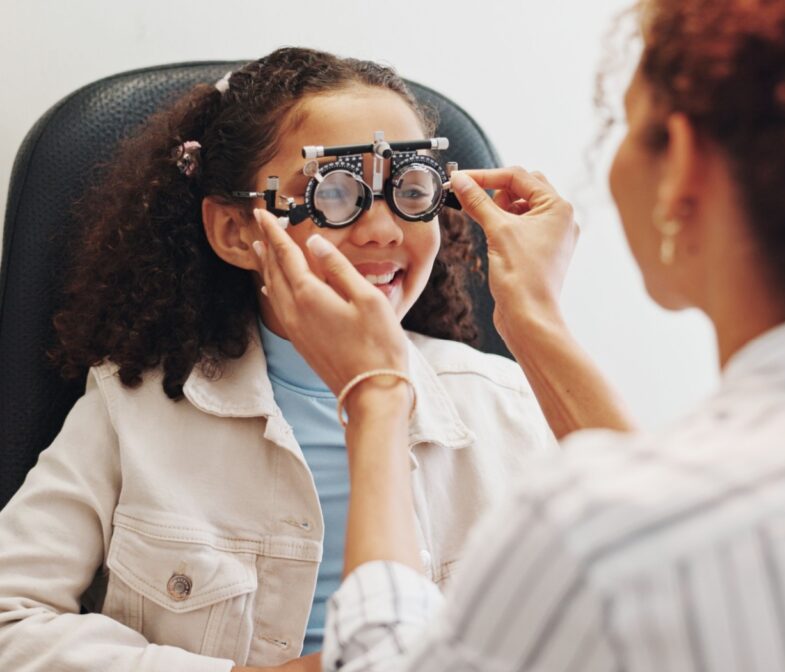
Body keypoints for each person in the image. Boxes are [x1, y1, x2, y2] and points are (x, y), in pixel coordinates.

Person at [249, 1, 785, 670]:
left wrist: (376, 392)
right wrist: (533, 321)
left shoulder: (602, 538)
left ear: (681, 165)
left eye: (627, 122)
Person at [0, 47, 554, 672]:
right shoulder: (135, 411)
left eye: (411, 187)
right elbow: (9, 619)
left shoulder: (506, 404)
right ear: (238, 232)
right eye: (336, 192)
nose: (382, 229)